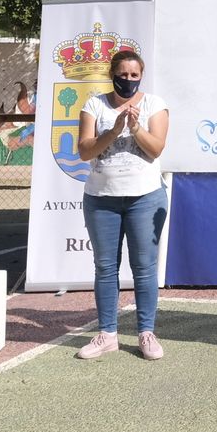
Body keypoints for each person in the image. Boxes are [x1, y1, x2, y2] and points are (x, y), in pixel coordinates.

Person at [73, 49, 170, 360]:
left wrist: (136, 128)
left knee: (144, 268)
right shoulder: (94, 105)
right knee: (105, 267)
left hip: (145, 197)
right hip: (102, 199)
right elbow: (85, 151)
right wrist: (114, 130)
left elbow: (155, 149)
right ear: (112, 75)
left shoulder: (154, 105)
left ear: (141, 76)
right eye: (122, 74)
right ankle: (107, 334)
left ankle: (146, 333)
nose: (128, 80)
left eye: (134, 75)